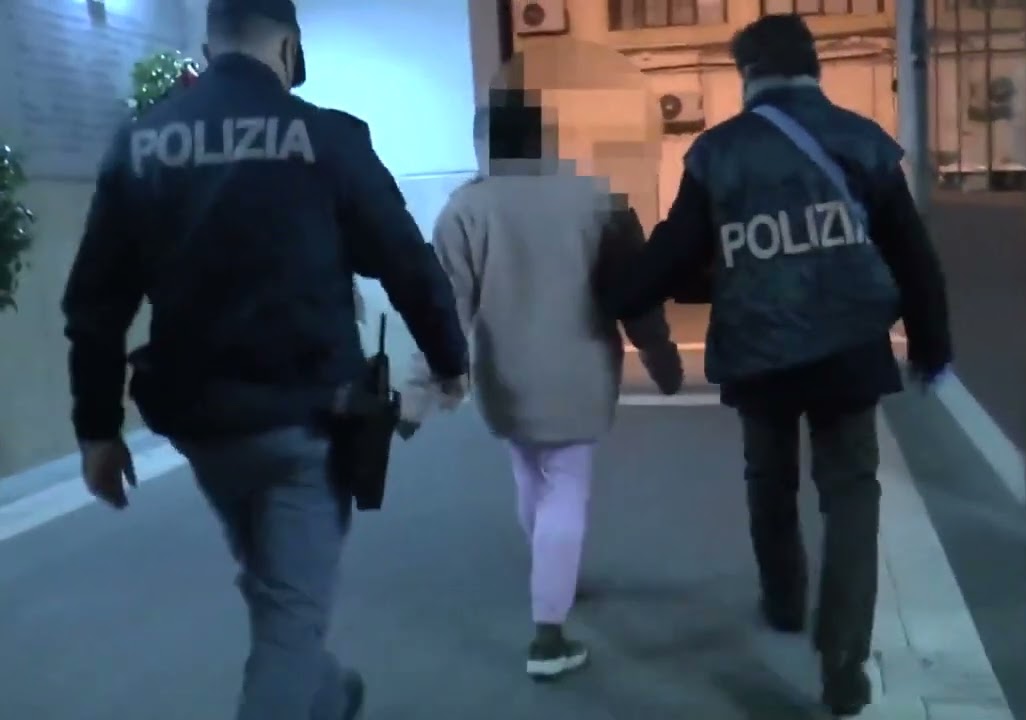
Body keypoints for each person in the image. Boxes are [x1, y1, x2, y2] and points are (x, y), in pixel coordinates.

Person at [60, 0, 469, 718]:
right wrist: (448, 358)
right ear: (288, 49)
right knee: (289, 613)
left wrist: (97, 431)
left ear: (209, 47)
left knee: (277, 584)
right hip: (306, 421)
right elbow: (406, 261)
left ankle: (328, 695)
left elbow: (96, 304)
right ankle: (309, 691)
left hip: (201, 426)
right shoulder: (328, 138)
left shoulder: (141, 144)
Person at [601, 14, 952, 719]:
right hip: (849, 348)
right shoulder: (862, 140)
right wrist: (931, 343)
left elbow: (675, 250)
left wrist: (614, 300)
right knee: (851, 494)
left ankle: (785, 599)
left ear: (748, 75)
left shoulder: (718, 152)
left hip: (759, 352)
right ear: (813, 66)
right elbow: (911, 252)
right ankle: (844, 660)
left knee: (769, 479)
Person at [400, 95, 683, 681]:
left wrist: (417, 397)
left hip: (505, 377)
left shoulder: (464, 210)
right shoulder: (598, 200)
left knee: (530, 475)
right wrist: (660, 356)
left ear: (485, 144)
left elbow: (444, 311)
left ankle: (553, 575)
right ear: (545, 142)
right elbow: (634, 292)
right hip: (580, 371)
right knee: (566, 488)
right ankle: (548, 634)